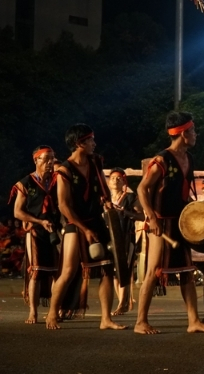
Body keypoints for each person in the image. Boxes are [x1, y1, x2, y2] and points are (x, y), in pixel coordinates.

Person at [135, 111, 204, 334]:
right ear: (182, 132)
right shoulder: (161, 160)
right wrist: (151, 217)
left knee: (187, 271)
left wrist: (196, 212)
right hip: (160, 221)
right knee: (153, 271)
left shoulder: (189, 159)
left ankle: (194, 321)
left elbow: (182, 193)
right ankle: (141, 322)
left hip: (180, 222)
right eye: (193, 130)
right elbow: (142, 188)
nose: (196, 134)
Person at [45, 124, 127, 330]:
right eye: (90, 140)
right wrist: (84, 229)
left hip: (96, 221)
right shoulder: (64, 170)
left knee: (107, 269)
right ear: (79, 143)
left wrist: (106, 200)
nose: (94, 143)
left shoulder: (95, 161)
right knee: (69, 271)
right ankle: (52, 313)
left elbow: (101, 187)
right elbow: (63, 205)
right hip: (75, 223)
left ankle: (106, 319)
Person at [11, 145, 60, 324]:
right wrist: (39, 222)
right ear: (36, 160)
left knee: (57, 272)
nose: (50, 162)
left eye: (52, 158)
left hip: (55, 230)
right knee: (37, 272)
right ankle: (33, 311)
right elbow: (18, 212)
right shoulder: (26, 183)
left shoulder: (57, 180)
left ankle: (55, 309)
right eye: (45, 159)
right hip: (36, 231)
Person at [107, 168, 144, 316]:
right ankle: (123, 301)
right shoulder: (105, 199)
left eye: (119, 178)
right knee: (113, 272)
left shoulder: (129, 197)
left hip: (125, 237)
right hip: (109, 237)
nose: (115, 180)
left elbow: (141, 216)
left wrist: (125, 213)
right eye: (113, 178)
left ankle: (123, 303)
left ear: (124, 182)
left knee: (123, 270)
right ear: (108, 182)